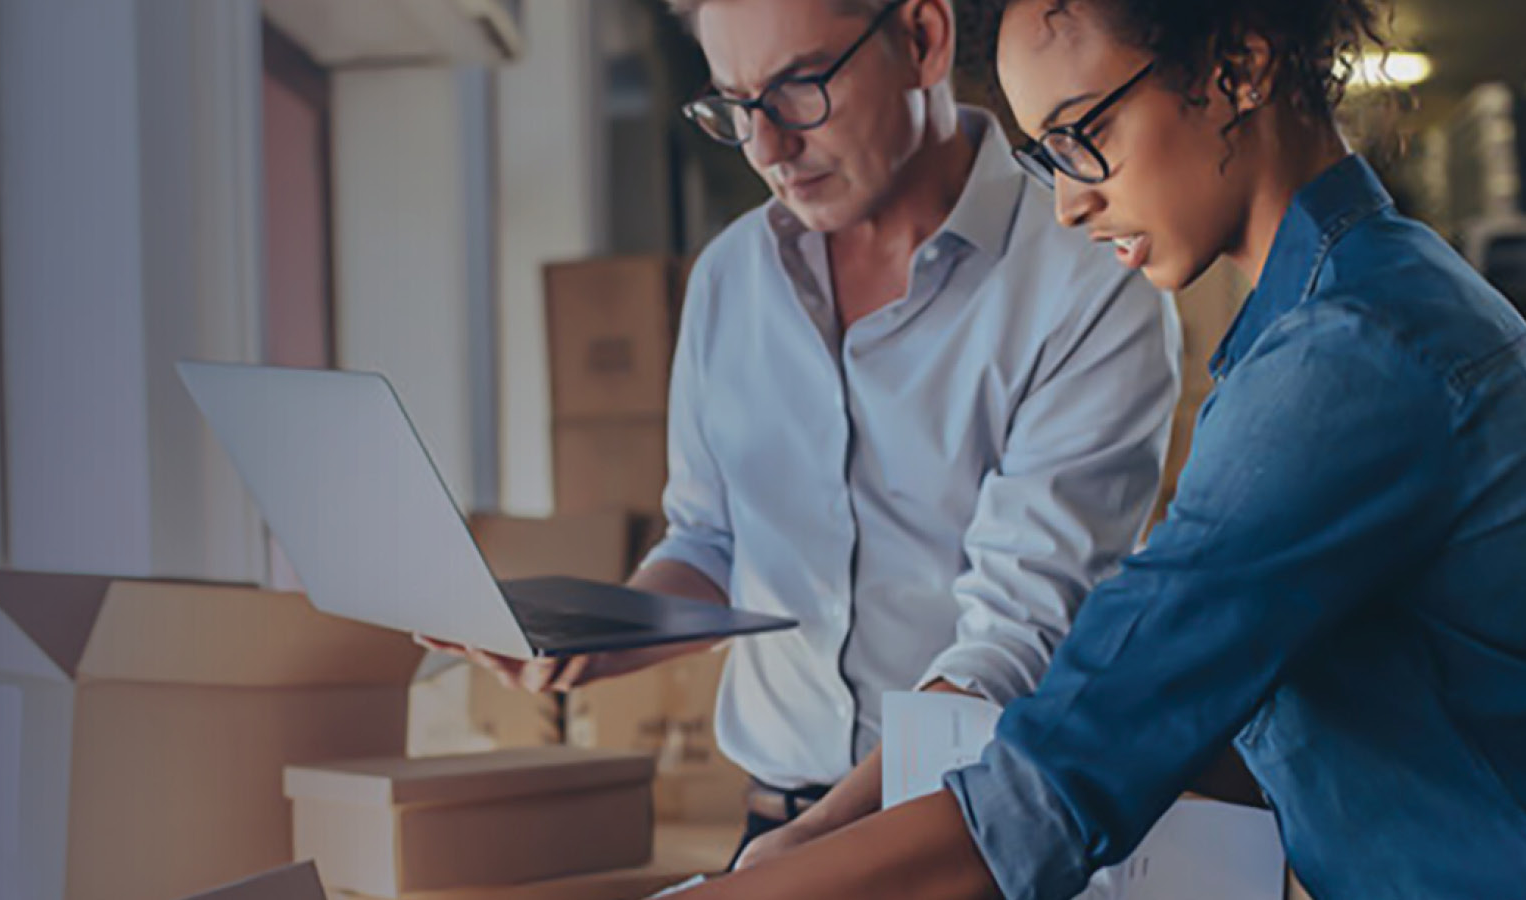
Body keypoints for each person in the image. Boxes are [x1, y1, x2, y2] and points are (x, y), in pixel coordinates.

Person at [659, 0, 1526, 896]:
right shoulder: (1320, 323)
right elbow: (1160, 707)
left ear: (1238, 65)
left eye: (1085, 135)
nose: (1073, 204)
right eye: (1050, 158)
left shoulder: (1353, 357)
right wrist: (802, 854)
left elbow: (1083, 752)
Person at [420, 0, 1188, 866]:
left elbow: (1021, 634)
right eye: (736, 105)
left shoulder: (1087, 278)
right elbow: (710, 542)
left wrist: (825, 845)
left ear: (922, 39)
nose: (767, 148)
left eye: (800, 88)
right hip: (774, 821)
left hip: (966, 833)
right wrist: (587, 638)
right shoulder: (730, 279)